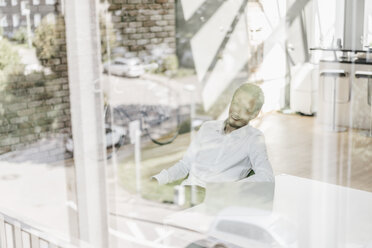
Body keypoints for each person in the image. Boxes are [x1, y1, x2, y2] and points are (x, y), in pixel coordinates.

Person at [152, 83, 274, 189]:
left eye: (246, 109)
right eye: (236, 103)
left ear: (255, 114)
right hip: (188, 191)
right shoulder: (207, 128)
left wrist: (226, 190)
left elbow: (266, 176)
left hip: (214, 200)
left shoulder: (253, 138)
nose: (237, 111)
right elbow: (185, 165)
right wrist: (158, 179)